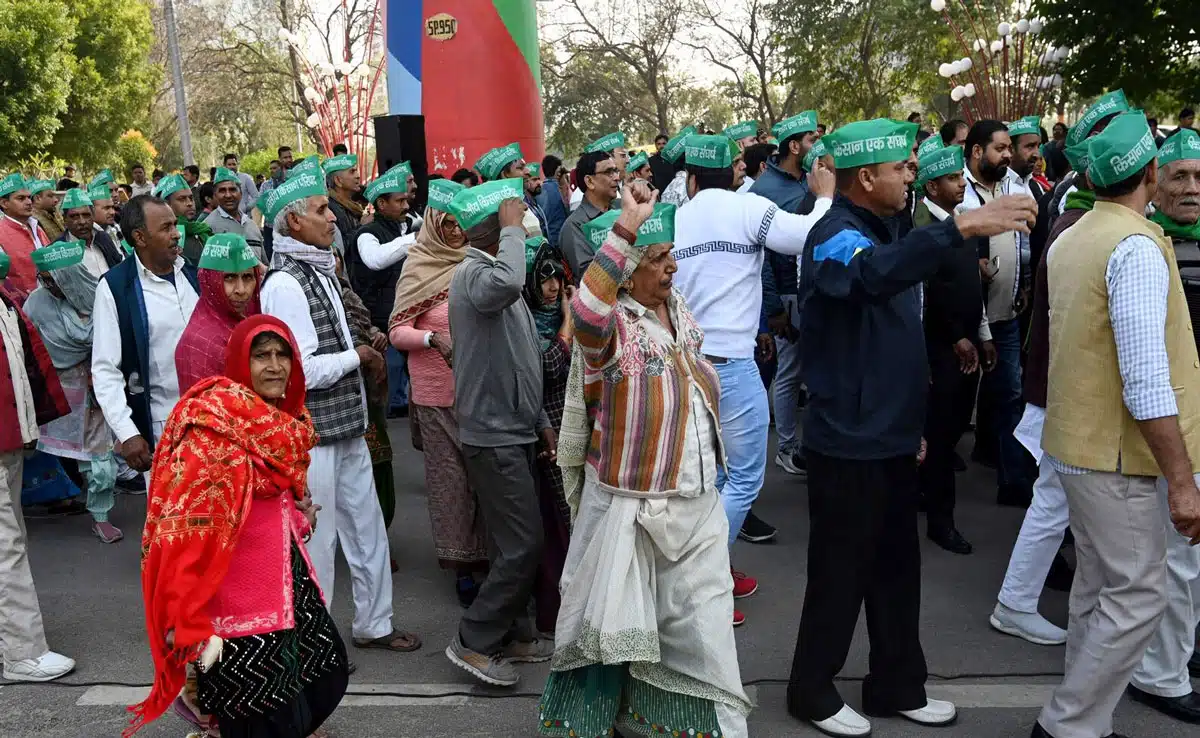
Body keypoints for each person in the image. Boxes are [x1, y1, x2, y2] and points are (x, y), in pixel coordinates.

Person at [787, 118, 1038, 737]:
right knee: (840, 575)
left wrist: (914, 426)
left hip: (893, 438)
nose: (911, 176)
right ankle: (811, 691)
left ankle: (897, 683)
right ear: (866, 177)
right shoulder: (833, 238)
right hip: (846, 445)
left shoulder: (889, 229)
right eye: (901, 168)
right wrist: (958, 228)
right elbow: (872, 274)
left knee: (898, 572)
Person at [538, 185, 751, 738]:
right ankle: (616, 721)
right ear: (626, 273)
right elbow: (584, 312)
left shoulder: (674, 310)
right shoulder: (609, 333)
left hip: (697, 507)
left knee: (706, 641)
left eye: (670, 255)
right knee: (614, 636)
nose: (672, 269)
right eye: (658, 260)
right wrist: (627, 227)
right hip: (631, 511)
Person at [1032, 111, 1200, 738]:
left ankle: (1088, 723)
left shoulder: (1074, 235)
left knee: (1097, 590)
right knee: (1138, 598)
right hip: (1117, 457)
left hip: (1079, 447)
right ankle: (1067, 727)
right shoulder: (1134, 246)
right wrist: (1182, 482)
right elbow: (1146, 378)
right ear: (1150, 172)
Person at [125, 315, 349, 738]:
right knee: (262, 717)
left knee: (326, 678)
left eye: (282, 354)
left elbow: (272, 498)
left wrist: (298, 520)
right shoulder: (214, 429)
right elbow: (185, 527)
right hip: (237, 603)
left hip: (286, 583)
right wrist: (186, 613)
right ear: (238, 363)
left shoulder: (285, 421)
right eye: (261, 355)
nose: (274, 365)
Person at [672, 133, 835, 625]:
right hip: (733, 368)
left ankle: (713, 566)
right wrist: (825, 195)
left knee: (714, 477)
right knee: (743, 477)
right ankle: (699, 585)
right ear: (736, 171)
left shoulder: (677, 216)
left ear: (693, 178)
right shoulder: (749, 209)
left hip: (686, 365)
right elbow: (807, 235)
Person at [257, 168, 418, 655]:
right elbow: (297, 368)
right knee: (319, 541)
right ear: (293, 221)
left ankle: (375, 623)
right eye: (322, 211)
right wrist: (359, 357)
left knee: (366, 527)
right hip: (313, 435)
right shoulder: (285, 283)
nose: (332, 218)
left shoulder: (320, 268)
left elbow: (342, 332)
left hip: (347, 425)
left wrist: (361, 341)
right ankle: (317, 645)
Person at [442, 179, 557, 686]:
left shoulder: (492, 274)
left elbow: (524, 357)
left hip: (515, 431)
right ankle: (474, 640)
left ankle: (513, 632)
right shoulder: (475, 275)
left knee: (515, 541)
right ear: (495, 229)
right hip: (493, 437)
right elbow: (512, 282)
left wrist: (542, 423)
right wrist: (512, 231)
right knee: (521, 545)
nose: (524, 226)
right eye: (513, 219)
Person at [990, 131, 1099, 650]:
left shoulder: (1076, 216)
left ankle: (1017, 601)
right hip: (1075, 393)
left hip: (1071, 392)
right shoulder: (1078, 224)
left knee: (1055, 500)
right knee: (1059, 499)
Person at [1120, 127, 1200, 724]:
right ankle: (1161, 673)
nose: (1191, 189)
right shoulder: (1142, 244)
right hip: (1170, 420)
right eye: (1179, 177)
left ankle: (1183, 653)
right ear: (1156, 182)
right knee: (1176, 553)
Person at [389, 177, 489, 605]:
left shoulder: (475, 260)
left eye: (461, 224)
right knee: (450, 483)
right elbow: (396, 331)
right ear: (432, 225)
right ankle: (461, 567)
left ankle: (486, 557)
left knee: (483, 480)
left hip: (479, 391)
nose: (455, 232)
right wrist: (432, 341)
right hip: (434, 395)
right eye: (447, 224)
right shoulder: (419, 265)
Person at [912, 144, 993, 555]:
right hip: (937, 352)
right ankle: (941, 523)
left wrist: (982, 333)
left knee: (950, 430)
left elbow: (969, 287)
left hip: (964, 346)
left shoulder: (961, 224)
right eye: (953, 179)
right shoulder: (923, 229)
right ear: (932, 186)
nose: (962, 184)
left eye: (962, 178)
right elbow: (925, 296)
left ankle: (927, 495)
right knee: (940, 438)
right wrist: (955, 337)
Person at [0, 255, 74, 682]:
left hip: (9, 438)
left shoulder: (4, 293)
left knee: (11, 538)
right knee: (6, 545)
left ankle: (10, 641)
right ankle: (22, 653)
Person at [92, 195, 200, 487]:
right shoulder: (116, 287)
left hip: (213, 420)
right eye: (166, 227)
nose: (176, 233)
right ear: (140, 237)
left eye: (175, 225)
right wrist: (128, 432)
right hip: (162, 427)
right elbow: (105, 369)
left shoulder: (194, 274)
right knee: (173, 524)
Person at [24, 241, 121, 543]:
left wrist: (97, 368)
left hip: (95, 388)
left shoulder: (99, 296)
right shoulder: (35, 303)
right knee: (30, 450)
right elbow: (29, 346)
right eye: (43, 279)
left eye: (54, 280)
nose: (48, 286)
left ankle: (101, 515)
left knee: (100, 459)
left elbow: (113, 338)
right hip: (59, 392)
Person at [960, 119, 1035, 506]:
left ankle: (1012, 480)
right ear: (976, 151)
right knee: (955, 405)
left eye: (1009, 148)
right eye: (1000, 149)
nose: (1009, 155)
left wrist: (1022, 281)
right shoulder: (956, 191)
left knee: (1009, 395)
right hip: (963, 320)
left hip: (1005, 315)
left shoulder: (1015, 186)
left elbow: (1022, 240)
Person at [751, 111, 821, 481]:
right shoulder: (763, 190)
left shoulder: (812, 181)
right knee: (790, 372)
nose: (817, 145)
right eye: (811, 139)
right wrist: (774, 307)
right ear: (794, 146)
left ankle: (809, 445)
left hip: (814, 290)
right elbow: (759, 258)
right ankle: (786, 448)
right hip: (788, 294)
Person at [520, 235, 573, 636]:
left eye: (558, 278)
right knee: (551, 527)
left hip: (573, 429)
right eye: (544, 279)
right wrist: (569, 326)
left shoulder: (556, 318)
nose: (553, 288)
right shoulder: (525, 324)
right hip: (543, 435)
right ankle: (553, 614)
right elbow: (549, 369)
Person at [175, 234, 262, 394]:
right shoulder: (199, 344)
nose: (241, 290)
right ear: (209, 281)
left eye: (248, 277)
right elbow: (204, 414)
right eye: (229, 278)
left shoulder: (250, 325)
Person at [561, 150, 621, 280]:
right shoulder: (575, 226)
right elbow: (591, 278)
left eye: (616, 171)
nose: (617, 177)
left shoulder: (621, 209)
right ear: (589, 181)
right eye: (608, 172)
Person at [0, 173, 50, 296]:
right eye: (21, 198)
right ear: (4, 203)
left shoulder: (36, 227)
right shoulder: (1, 234)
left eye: (29, 197)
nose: (28, 202)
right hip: (24, 307)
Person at [56, 188, 123, 277]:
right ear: (64, 219)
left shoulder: (104, 238)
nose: (82, 222)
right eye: (74, 216)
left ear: (93, 215)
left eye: (86, 215)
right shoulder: (58, 251)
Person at [205, 168, 265, 262]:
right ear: (215, 195)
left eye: (232, 189)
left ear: (240, 193)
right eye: (222, 190)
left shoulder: (251, 224)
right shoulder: (208, 226)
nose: (228, 195)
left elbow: (264, 262)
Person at [154, 173, 211, 266]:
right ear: (168, 204)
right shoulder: (163, 237)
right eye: (182, 199)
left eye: (191, 198)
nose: (189, 203)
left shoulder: (200, 228)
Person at [323, 153, 364, 251]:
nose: (358, 176)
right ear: (338, 180)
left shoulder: (350, 204)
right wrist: (363, 227)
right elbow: (341, 247)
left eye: (356, 170)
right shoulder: (331, 208)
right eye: (352, 172)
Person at [536, 155, 571, 249]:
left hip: (547, 239)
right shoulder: (559, 189)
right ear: (558, 171)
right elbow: (569, 211)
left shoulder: (539, 190)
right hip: (561, 238)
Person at [524, 162, 549, 239]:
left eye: (539, 179)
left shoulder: (535, 203)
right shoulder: (524, 206)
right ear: (526, 183)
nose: (539, 182)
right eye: (534, 180)